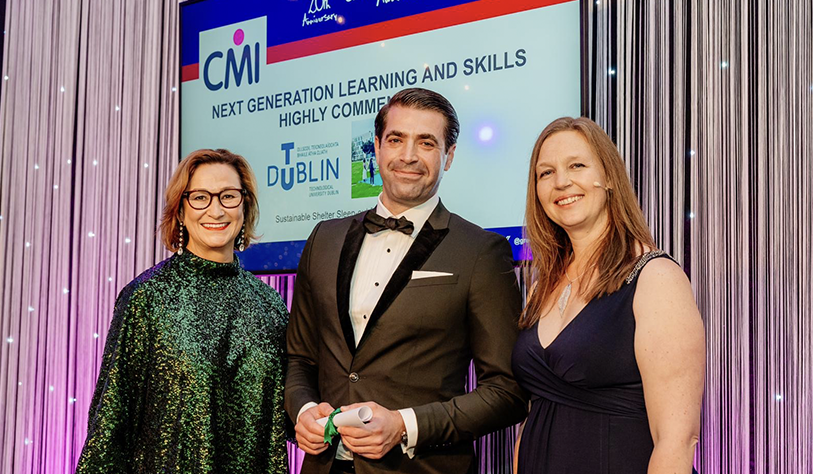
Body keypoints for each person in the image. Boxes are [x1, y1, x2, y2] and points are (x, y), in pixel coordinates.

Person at [285, 88, 528, 474]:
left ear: (448, 156)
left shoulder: (481, 251)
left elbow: (508, 391)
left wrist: (404, 426)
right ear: (377, 148)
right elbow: (300, 358)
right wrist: (302, 410)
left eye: (426, 142)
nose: (408, 156)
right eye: (396, 139)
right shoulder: (323, 239)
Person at [76, 149, 289, 473]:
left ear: (245, 206)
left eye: (228, 196)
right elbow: (110, 421)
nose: (216, 210)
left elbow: (291, 414)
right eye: (201, 197)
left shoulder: (270, 305)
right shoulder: (146, 298)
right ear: (180, 209)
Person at [512, 117, 705, 473]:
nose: (561, 182)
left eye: (577, 166)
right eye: (546, 173)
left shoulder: (655, 277)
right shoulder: (543, 285)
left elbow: (677, 440)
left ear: (610, 177)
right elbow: (535, 409)